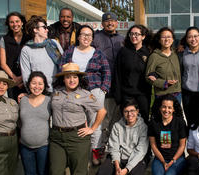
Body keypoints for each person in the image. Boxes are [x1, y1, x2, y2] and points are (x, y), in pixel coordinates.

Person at [48, 63, 106, 175]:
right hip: (57, 137)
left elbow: (102, 111)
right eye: (68, 77)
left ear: (79, 79)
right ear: (63, 79)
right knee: (56, 171)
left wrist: (92, 128)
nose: (71, 80)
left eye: (74, 77)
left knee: (78, 174)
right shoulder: (56, 94)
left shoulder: (86, 95)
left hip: (77, 137)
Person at [60, 25, 111, 165]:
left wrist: (104, 89)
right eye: (83, 34)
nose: (86, 37)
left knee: (95, 123)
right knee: (78, 122)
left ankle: (95, 152)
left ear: (92, 38)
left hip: (94, 90)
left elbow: (106, 71)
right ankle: (80, 153)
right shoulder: (70, 52)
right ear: (78, 37)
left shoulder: (98, 53)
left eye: (89, 35)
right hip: (74, 91)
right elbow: (62, 68)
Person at [19, 71, 51, 175]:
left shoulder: (50, 101)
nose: (36, 86)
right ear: (28, 84)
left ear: (44, 85)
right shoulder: (22, 100)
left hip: (44, 145)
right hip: (25, 145)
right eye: (34, 83)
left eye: (40, 83)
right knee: (29, 174)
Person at [92, 11, 125, 152]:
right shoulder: (96, 38)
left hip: (118, 85)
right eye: (106, 21)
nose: (110, 23)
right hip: (101, 85)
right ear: (102, 23)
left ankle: (113, 147)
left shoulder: (122, 39)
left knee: (116, 120)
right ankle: (99, 147)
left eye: (112, 21)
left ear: (117, 23)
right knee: (102, 119)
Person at [115, 24, 152, 122]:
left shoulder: (148, 53)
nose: (133, 36)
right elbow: (117, 74)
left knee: (143, 121)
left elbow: (153, 71)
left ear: (143, 36)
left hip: (143, 94)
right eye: (131, 34)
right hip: (126, 94)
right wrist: (118, 96)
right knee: (128, 121)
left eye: (137, 34)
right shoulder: (123, 52)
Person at [178, 26, 199, 125]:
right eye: (190, 37)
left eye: (195, 36)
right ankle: (190, 140)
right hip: (187, 92)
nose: (193, 39)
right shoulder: (181, 53)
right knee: (190, 120)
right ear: (186, 39)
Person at [20, 15, 63, 93]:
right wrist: (31, 94)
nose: (47, 30)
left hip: (59, 90)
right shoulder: (26, 50)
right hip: (40, 92)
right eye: (44, 27)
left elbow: (64, 65)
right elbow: (26, 76)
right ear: (35, 29)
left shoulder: (54, 44)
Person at [0, 12, 31, 100]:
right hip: (11, 79)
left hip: (27, 78)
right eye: (12, 22)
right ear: (8, 24)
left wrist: (22, 78)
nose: (15, 24)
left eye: (17, 21)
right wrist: (15, 79)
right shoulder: (4, 40)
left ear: (22, 23)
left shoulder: (29, 38)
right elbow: (3, 63)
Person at [146, 27, 182, 102]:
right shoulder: (154, 56)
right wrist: (164, 83)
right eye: (163, 37)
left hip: (177, 94)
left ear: (172, 40)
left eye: (169, 37)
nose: (166, 39)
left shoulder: (176, 55)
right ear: (159, 40)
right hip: (161, 94)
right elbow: (148, 77)